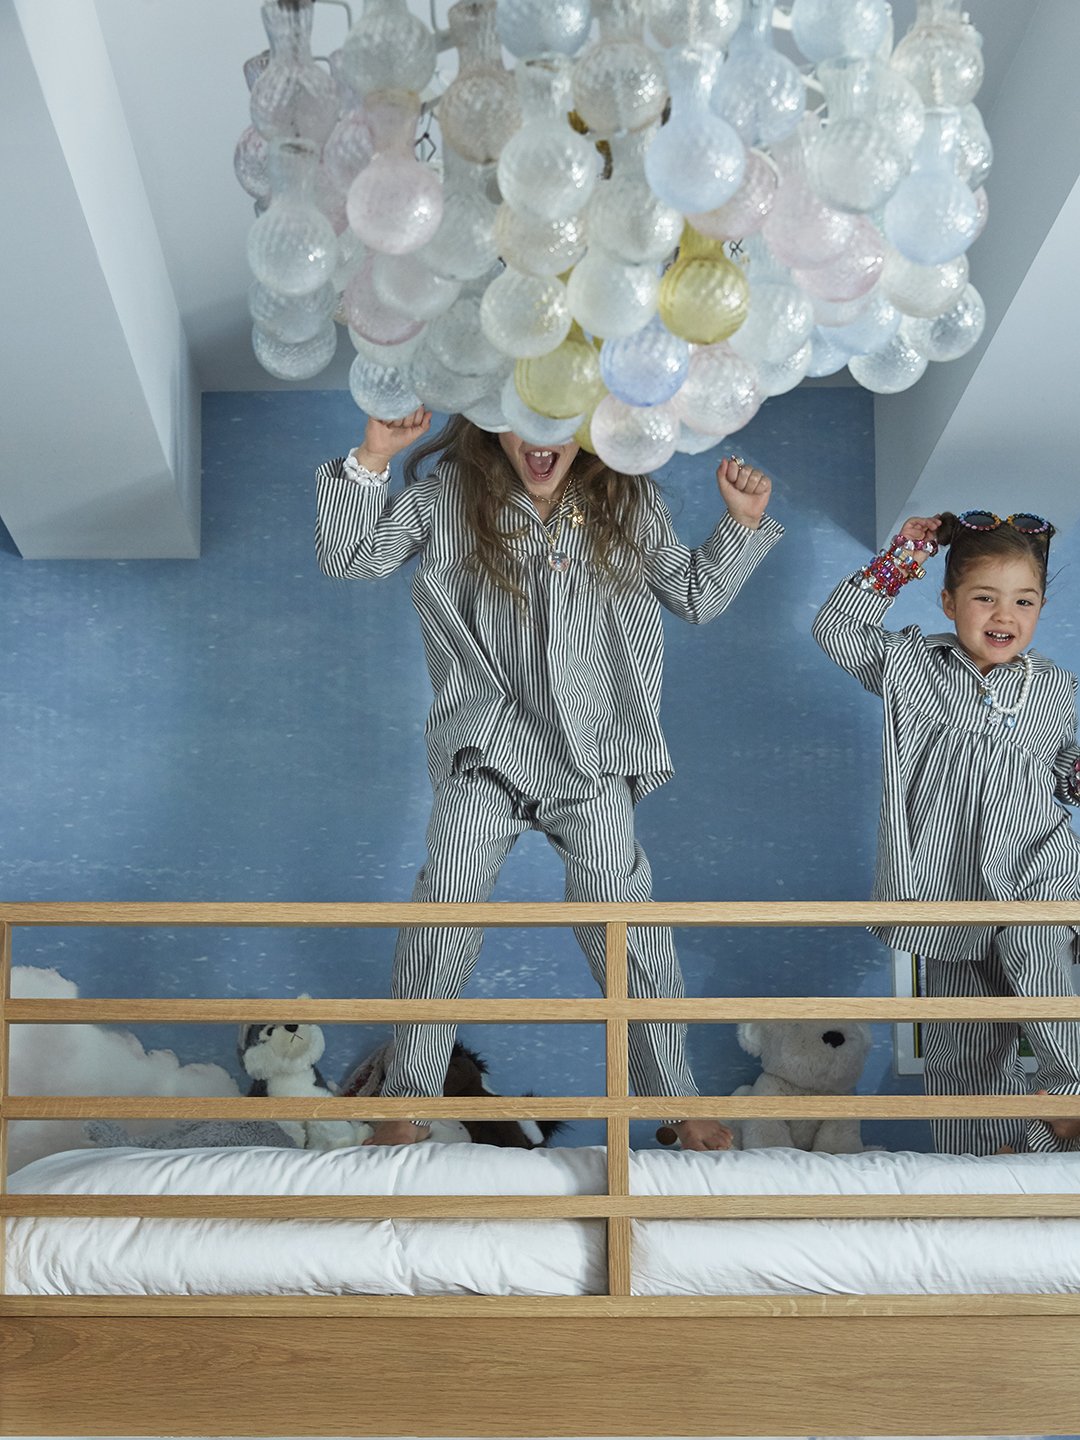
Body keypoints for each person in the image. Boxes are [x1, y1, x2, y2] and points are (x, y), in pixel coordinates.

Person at [316, 407, 783, 1150]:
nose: (542, 441)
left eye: (561, 421)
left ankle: (679, 1104)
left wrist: (743, 523)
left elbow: (697, 596)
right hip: (487, 747)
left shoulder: (627, 503)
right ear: (490, 421)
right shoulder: (448, 498)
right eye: (522, 419)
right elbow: (350, 556)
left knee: (626, 926)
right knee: (445, 908)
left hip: (592, 754)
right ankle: (406, 1105)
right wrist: (373, 455)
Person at [813, 509, 1080, 1155]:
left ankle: (1069, 1090)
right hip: (949, 890)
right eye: (984, 598)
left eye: (1024, 600)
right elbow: (835, 628)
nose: (1004, 614)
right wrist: (904, 555)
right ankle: (987, 1169)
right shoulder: (914, 667)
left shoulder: (1055, 689)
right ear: (949, 602)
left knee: (1033, 940)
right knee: (963, 1049)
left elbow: (1067, 771)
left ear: (1041, 607)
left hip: (1034, 873)